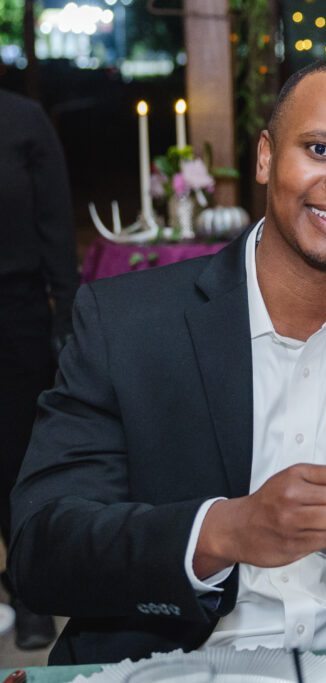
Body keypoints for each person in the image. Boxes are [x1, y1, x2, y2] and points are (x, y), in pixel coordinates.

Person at [9, 57, 326, 664]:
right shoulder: (127, 324)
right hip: (162, 666)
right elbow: (44, 551)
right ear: (266, 157)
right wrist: (223, 531)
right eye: (322, 149)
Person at [0, 88, 77, 650]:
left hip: (15, 313)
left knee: (14, 450)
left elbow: (55, 221)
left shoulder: (22, 119)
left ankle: (27, 590)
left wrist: (68, 317)